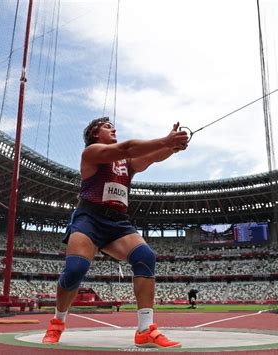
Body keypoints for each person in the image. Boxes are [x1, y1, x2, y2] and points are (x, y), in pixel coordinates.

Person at [42, 117, 188, 348]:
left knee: (145, 257)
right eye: (107, 127)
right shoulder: (92, 152)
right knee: (75, 269)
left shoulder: (126, 162)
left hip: (118, 223)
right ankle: (57, 323)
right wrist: (165, 140)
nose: (114, 129)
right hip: (89, 218)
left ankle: (145, 330)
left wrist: (171, 147)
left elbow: (151, 157)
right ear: (93, 133)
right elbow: (127, 147)